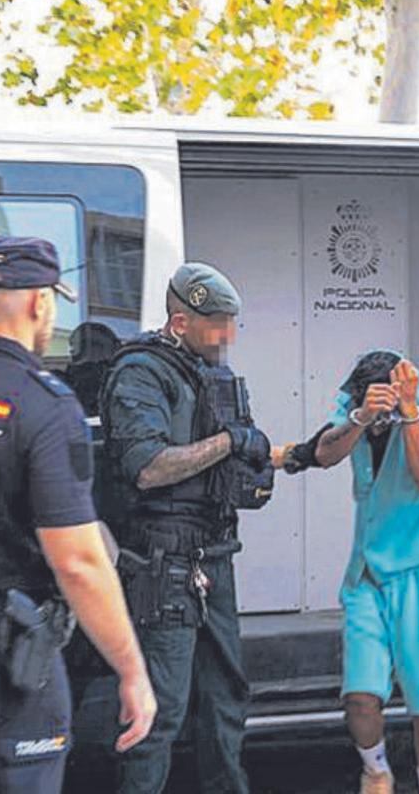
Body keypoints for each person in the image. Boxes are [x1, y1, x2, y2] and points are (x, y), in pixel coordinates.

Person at [0, 235, 155, 793]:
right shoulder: (44, 406)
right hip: (3, 654)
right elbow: (78, 562)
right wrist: (131, 669)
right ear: (39, 303)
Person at [101, 262, 275, 794]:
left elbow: (229, 454)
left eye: (231, 322)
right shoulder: (141, 372)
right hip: (164, 563)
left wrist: (259, 467)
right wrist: (230, 443)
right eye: (217, 323)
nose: (228, 335)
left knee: (226, 696)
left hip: (212, 555)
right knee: (162, 708)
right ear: (180, 322)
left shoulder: (209, 373)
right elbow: (148, 467)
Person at [277, 351, 419, 794]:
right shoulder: (358, 403)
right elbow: (325, 453)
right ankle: (377, 769)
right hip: (369, 569)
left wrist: (409, 413)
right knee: (360, 696)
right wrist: (362, 417)